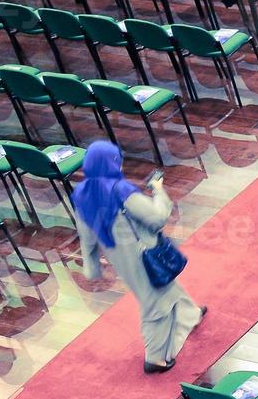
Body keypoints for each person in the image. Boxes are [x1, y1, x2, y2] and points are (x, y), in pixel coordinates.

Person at [72, 140, 205, 372]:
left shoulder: (81, 194)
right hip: (144, 254)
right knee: (154, 301)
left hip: (120, 258)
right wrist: (159, 190)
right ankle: (154, 358)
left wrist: (92, 266)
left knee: (162, 286)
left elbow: (87, 236)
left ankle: (189, 314)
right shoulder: (121, 190)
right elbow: (156, 218)